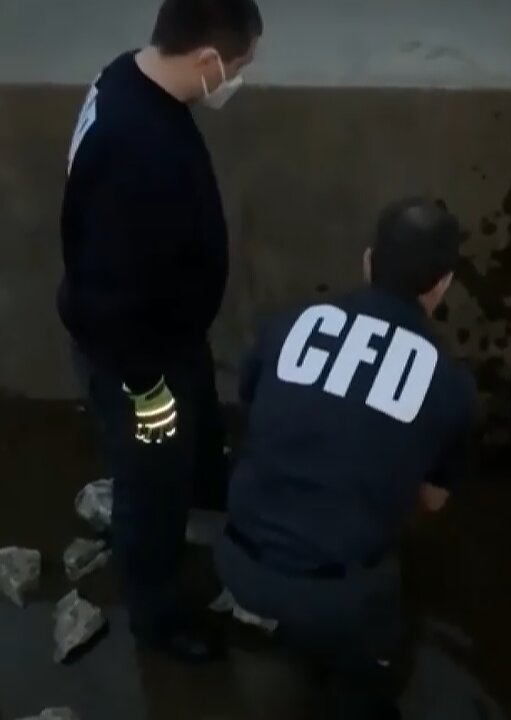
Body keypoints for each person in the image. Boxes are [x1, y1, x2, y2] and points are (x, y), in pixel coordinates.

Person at [214, 197, 477, 719]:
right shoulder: (450, 385)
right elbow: (433, 499)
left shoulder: (289, 325)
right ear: (442, 285)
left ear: (367, 261)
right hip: (339, 597)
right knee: (368, 666)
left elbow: (253, 403)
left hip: (238, 562)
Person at [59, 0, 263, 661]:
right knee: (151, 481)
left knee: (196, 426)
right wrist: (148, 394)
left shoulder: (127, 78)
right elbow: (112, 296)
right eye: (237, 67)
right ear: (207, 59)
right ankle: (158, 614)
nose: (236, 79)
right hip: (138, 362)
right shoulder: (135, 149)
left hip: (171, 338)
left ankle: (205, 484)